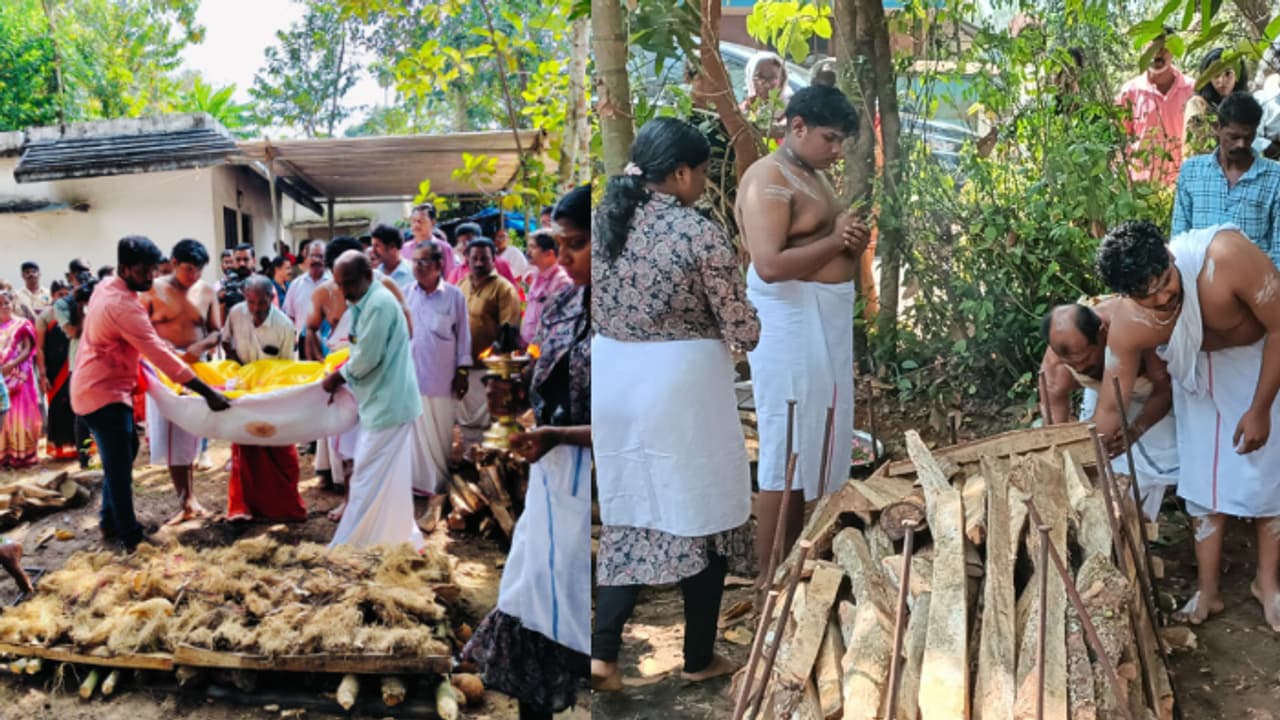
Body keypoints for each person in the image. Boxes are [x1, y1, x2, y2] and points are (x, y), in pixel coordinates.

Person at [592, 118, 761, 689]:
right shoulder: (697, 232)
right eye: (705, 173)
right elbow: (741, 327)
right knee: (704, 513)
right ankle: (697, 659)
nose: (705, 184)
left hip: (614, 378)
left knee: (627, 512)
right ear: (683, 172)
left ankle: (603, 658)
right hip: (681, 388)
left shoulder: (604, 222)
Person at [1094, 220, 1280, 632]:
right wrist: (1092, 453)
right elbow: (1112, 401)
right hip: (1196, 378)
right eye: (1148, 296)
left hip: (1261, 367)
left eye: (1166, 281)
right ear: (1127, 296)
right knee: (1202, 483)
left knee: (1268, 477)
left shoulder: (1225, 257)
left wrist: (1261, 408)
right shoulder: (1129, 324)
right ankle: (1208, 591)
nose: (1164, 297)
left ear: (1171, 256)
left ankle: (1267, 584)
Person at [465, 185, 592, 720]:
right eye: (559, 245)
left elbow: (634, 418)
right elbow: (545, 387)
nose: (562, 258)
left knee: (569, 590)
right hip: (556, 469)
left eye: (576, 244)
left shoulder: (636, 322)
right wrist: (514, 397)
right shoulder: (563, 301)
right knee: (533, 588)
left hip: (601, 473)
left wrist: (560, 436)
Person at [736, 85, 870, 570]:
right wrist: (836, 240)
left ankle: (795, 562)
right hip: (788, 318)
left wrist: (848, 241)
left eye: (841, 142)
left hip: (822, 316)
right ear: (797, 128)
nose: (837, 151)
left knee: (814, 438)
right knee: (786, 443)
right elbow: (769, 263)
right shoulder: (767, 179)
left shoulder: (808, 173)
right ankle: (769, 577)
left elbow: (824, 240)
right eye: (830, 139)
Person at [72, 236, 230, 550]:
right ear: (125, 268)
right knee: (119, 466)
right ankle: (130, 537)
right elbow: (159, 354)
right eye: (144, 271)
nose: (151, 278)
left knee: (125, 452)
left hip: (103, 386)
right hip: (101, 393)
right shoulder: (123, 305)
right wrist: (206, 392)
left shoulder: (110, 286)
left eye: (154, 270)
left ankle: (109, 521)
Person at [321, 251, 425, 550]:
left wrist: (335, 379)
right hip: (383, 402)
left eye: (349, 283)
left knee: (366, 476)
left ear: (368, 274)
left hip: (388, 404)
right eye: (339, 285)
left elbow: (366, 359)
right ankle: (393, 538)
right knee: (389, 479)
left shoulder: (378, 304)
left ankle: (355, 545)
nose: (344, 291)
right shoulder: (364, 301)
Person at [1038, 301, 1177, 519]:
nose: (1080, 368)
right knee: (1102, 456)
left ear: (1102, 334)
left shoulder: (1131, 325)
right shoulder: (1056, 363)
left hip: (1160, 392)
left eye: (1085, 359)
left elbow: (1165, 390)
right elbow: (1053, 431)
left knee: (1151, 457)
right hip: (1106, 395)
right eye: (1072, 365)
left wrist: (1136, 430)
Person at [141, 238, 222, 525]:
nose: (194, 276)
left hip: (197, 366)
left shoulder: (207, 292)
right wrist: (164, 355)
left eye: (199, 270)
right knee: (170, 434)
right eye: (189, 269)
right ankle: (185, 500)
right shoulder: (153, 290)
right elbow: (142, 331)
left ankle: (190, 500)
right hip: (163, 368)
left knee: (191, 434)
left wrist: (199, 348)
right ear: (174, 263)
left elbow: (216, 332)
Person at [221, 276, 306, 522]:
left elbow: (289, 369)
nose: (256, 309)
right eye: (251, 302)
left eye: (261, 303)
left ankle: (285, 508)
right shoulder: (236, 313)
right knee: (245, 447)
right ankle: (244, 508)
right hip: (243, 393)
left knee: (280, 449)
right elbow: (226, 342)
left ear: (272, 298)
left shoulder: (284, 326)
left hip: (272, 396)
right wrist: (240, 370)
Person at [404, 242, 471, 529]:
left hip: (443, 377)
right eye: (416, 261)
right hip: (412, 375)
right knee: (416, 434)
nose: (419, 267)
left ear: (439, 264)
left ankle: (438, 484)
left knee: (441, 433)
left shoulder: (454, 296)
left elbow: (464, 337)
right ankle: (418, 483)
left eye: (424, 262)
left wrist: (463, 371)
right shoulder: (406, 294)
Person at [1171, 92, 1280, 265]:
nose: (1241, 144)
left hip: (1254, 283)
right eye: (1234, 137)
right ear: (1217, 127)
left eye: (1248, 137)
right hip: (1199, 281)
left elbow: (1279, 250)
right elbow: (1178, 240)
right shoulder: (1191, 172)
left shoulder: (1275, 177)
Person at [456, 237, 522, 451]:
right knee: (466, 420)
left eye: (484, 258)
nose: (479, 263)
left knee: (490, 418)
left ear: (493, 259)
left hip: (489, 369)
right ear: (467, 259)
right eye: (474, 258)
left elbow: (509, 330)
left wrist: (495, 362)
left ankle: (491, 460)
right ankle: (470, 457)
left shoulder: (503, 289)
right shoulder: (462, 285)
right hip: (465, 364)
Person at [1116, 28, 1196, 185]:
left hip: (1183, 186)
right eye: (1151, 48)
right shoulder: (1130, 92)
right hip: (1143, 190)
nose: (1157, 54)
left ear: (1173, 50)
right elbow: (1118, 139)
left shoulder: (1192, 90)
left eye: (1163, 48)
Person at [0, 289, 41, 469]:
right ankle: (4, 454)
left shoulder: (21, 324)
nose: (3, 307)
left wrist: (12, 365)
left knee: (19, 414)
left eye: (6, 303)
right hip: (1, 379)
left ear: (12, 303)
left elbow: (27, 348)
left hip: (19, 376)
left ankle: (22, 455)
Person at [35, 282, 76, 460]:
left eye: (67, 294)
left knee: (76, 406)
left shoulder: (75, 314)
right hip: (54, 369)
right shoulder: (44, 316)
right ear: (52, 296)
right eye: (60, 294)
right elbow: (40, 348)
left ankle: (80, 447)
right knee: (58, 407)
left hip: (74, 366)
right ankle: (59, 449)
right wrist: (43, 374)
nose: (64, 298)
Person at [1182, 47, 1249, 158]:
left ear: (1238, 74)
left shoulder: (1245, 105)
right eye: (1216, 75)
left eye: (1228, 74)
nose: (1221, 81)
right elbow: (1197, 148)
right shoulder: (1197, 105)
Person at [521, 229, 573, 346]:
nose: (527, 252)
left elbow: (561, 323)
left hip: (547, 348)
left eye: (533, 247)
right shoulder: (535, 276)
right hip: (529, 347)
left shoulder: (562, 281)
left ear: (549, 253)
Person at [448, 222, 524, 292]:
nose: (465, 247)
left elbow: (512, 291)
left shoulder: (499, 264)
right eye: (461, 243)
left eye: (468, 242)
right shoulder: (456, 271)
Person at [741, 51, 791, 139]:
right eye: (759, 77)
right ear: (750, 78)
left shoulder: (792, 109)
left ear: (782, 79)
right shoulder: (744, 109)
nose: (766, 84)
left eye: (772, 78)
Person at [282, 240, 330, 332]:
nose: (316, 260)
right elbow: (288, 316)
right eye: (312, 256)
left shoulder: (335, 285)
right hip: (302, 342)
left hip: (330, 344)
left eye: (320, 256)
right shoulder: (295, 285)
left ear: (326, 258)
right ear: (306, 257)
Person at [408, 202, 457, 279]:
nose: (416, 225)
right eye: (413, 221)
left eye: (421, 221)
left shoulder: (444, 248)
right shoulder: (404, 248)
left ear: (433, 222)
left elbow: (451, 278)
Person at [371, 224, 413, 288]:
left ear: (392, 246)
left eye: (377, 246)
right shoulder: (375, 273)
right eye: (372, 246)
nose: (373, 251)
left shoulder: (412, 273)